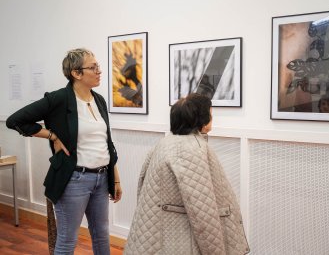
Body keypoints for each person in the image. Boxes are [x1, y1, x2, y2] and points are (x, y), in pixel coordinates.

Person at [6, 48, 122, 254]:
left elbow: (107, 143)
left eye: (98, 66)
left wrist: (116, 178)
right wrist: (52, 135)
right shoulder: (58, 99)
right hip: (74, 180)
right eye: (93, 67)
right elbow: (15, 120)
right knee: (68, 239)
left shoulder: (99, 100)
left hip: (102, 178)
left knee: (102, 235)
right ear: (76, 73)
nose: (99, 71)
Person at [124, 93, 249, 255]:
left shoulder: (166, 143)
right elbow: (202, 210)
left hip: (156, 236)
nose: (212, 116)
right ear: (201, 117)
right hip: (180, 242)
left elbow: (142, 189)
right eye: (210, 112)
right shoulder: (192, 149)